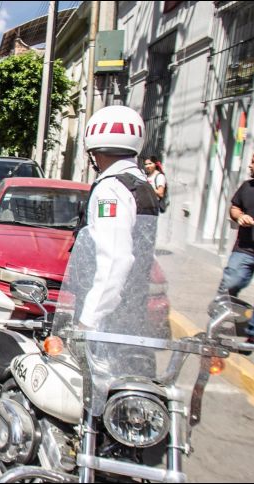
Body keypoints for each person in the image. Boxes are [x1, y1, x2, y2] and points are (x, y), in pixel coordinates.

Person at [67, 105, 161, 333]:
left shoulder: (111, 190)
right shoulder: (141, 185)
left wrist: (86, 321)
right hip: (129, 309)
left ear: (94, 150)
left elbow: (114, 260)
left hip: (105, 320)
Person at [217, 151, 254, 345]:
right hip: (245, 248)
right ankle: (220, 312)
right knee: (232, 281)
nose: (250, 165)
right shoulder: (247, 186)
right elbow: (234, 207)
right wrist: (239, 215)